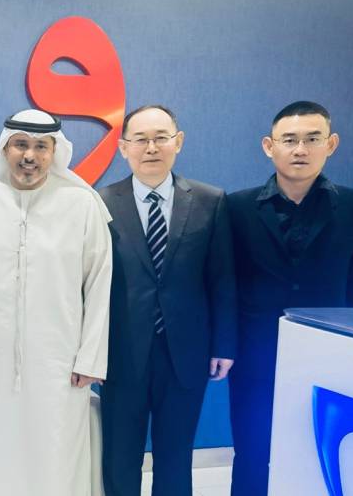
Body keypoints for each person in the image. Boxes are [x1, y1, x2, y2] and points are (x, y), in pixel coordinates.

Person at [0, 109, 112, 496]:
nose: (29, 156)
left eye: (41, 146)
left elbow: (99, 284)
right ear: (5, 148)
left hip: (59, 364)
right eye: (20, 144)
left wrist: (90, 357)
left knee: (53, 455)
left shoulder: (80, 203)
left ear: (55, 151)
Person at [227, 101, 353, 496]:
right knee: (251, 451)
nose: (300, 149)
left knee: (313, 451)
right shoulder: (236, 207)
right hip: (255, 350)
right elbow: (227, 279)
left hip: (326, 350)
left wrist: (322, 315)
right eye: (289, 140)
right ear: (269, 146)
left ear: (331, 144)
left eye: (312, 139)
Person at [96, 105, 237, 496]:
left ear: (179, 141)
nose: (151, 147)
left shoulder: (210, 200)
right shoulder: (100, 203)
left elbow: (222, 280)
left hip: (186, 353)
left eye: (161, 137)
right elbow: (88, 285)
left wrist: (224, 344)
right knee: (120, 456)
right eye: (140, 139)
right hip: (121, 354)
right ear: (123, 147)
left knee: (175, 457)